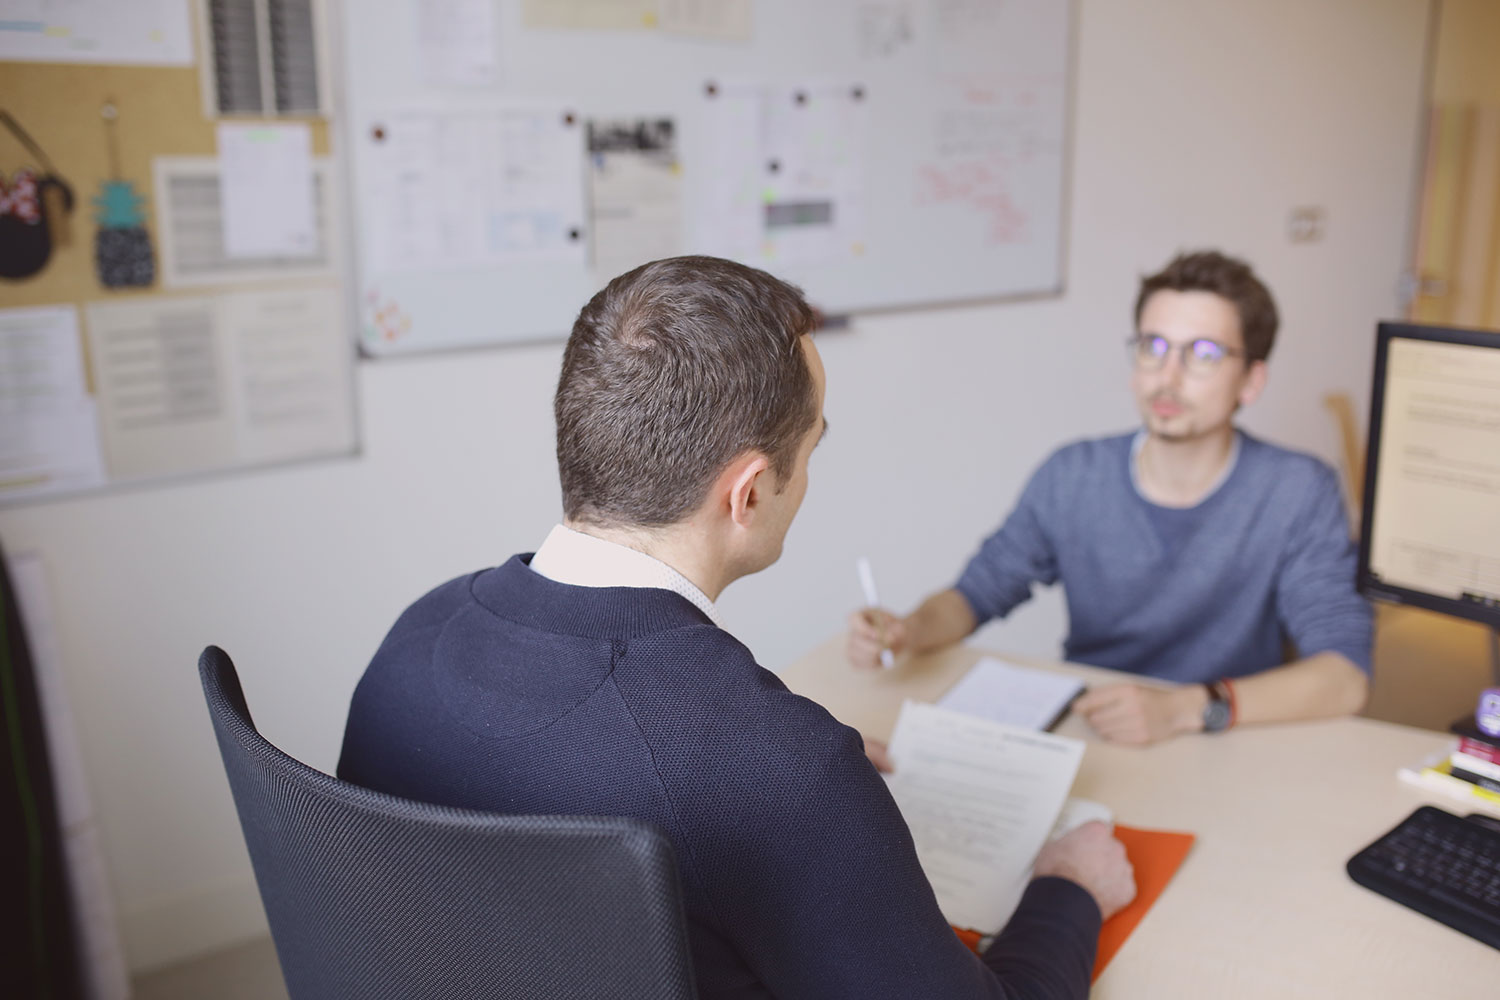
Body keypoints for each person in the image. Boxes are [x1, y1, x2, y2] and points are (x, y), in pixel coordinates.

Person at [338, 256, 1134, 1000]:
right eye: (813, 444)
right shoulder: (779, 771)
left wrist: (791, 771)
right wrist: (1069, 891)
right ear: (749, 493)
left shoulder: (416, 637)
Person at [849, 250, 1372, 746]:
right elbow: (976, 594)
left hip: (1228, 731)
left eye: (1204, 355)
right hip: (1098, 728)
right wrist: (908, 629)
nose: (1167, 378)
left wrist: (1184, 709)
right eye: (1153, 346)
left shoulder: (1298, 490)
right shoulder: (1074, 474)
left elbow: (1345, 677)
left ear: (1251, 381)